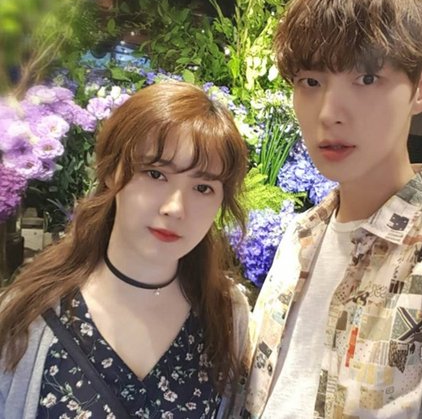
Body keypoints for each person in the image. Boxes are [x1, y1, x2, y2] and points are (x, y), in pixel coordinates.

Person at [240, 0, 422, 418]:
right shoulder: (301, 237)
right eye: (311, 81)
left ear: (421, 90)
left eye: (367, 78)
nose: (330, 112)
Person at [0, 81, 251, 418]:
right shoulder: (28, 315)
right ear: (112, 172)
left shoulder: (226, 316)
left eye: (203, 187)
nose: (175, 208)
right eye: (155, 174)